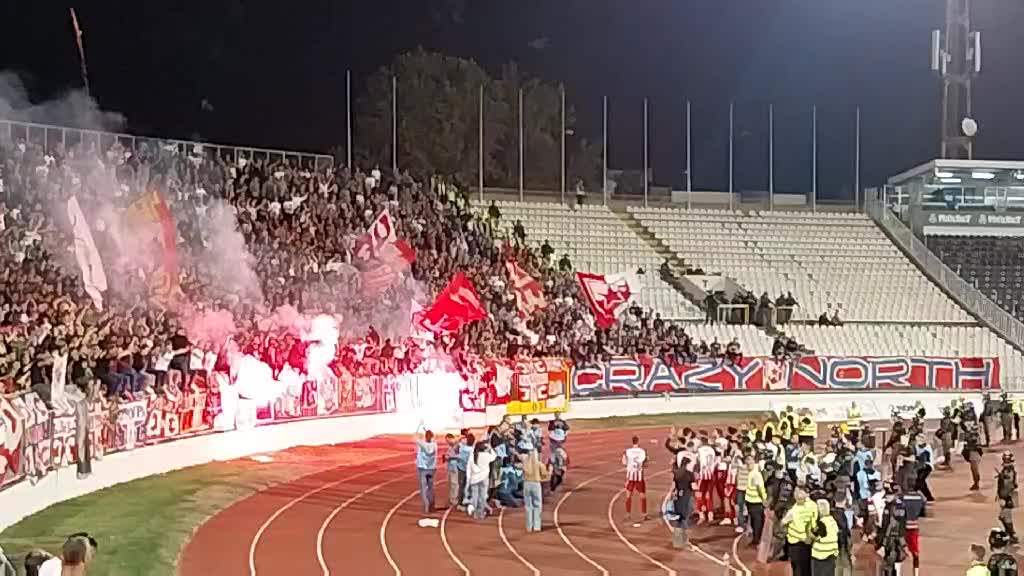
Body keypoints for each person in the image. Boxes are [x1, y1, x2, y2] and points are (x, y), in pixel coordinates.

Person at [783, 484, 818, 576]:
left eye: (797, 492)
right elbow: (814, 523)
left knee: (797, 568)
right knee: (806, 566)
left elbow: (783, 523)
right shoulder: (813, 505)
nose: (795, 494)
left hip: (796, 543)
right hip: (807, 541)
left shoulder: (793, 511)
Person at [518, 449, 548, 532]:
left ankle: (529, 526)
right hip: (536, 484)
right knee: (537, 505)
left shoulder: (525, 464)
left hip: (526, 484)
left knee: (528, 506)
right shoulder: (539, 464)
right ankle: (536, 526)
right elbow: (545, 475)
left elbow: (519, 464)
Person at [672, 455, 697, 548]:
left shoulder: (677, 473)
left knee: (679, 519)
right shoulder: (690, 474)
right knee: (686, 519)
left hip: (678, 498)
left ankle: (677, 541)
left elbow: (673, 487)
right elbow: (694, 487)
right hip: (687, 497)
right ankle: (685, 540)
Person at [623, 435, 649, 522]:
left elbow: (624, 462)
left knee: (628, 495)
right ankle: (644, 514)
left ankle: (628, 514)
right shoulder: (642, 451)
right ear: (638, 441)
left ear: (632, 441)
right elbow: (646, 464)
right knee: (642, 495)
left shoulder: (627, 451)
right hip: (639, 476)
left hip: (630, 476)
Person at [467, 442, 496, 520]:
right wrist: (491, 449)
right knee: (482, 496)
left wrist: (468, 479)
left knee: (475, 496)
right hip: (483, 478)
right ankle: (481, 513)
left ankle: (475, 513)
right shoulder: (486, 455)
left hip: (474, 479)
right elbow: (494, 456)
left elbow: (468, 468)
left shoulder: (472, 455)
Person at [744, 454, 768, 547]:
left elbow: (759, 487)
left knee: (757, 522)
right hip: (751, 500)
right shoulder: (751, 472)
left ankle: (757, 540)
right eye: (747, 461)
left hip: (756, 501)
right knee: (755, 521)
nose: (748, 463)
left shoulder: (755, 474)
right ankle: (756, 539)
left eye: (750, 460)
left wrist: (763, 499)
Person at [810, 499, 839, 576]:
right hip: (831, 554)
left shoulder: (821, 523)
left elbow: (816, 537)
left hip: (820, 555)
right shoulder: (832, 521)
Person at [997, 451, 1019, 545]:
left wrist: (1004, 498)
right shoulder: (1007, 470)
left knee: (1005, 517)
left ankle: (1012, 535)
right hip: (1006, 496)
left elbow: (1009, 485)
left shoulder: (1009, 471)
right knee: (1003, 517)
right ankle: (1010, 534)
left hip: (1008, 497)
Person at [415, 428, 438, 514]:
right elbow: (433, 441)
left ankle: (426, 505)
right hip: (431, 469)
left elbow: (415, 437)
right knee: (431, 487)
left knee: (424, 488)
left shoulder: (421, 444)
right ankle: (432, 504)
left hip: (422, 468)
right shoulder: (434, 445)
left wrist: (419, 427)